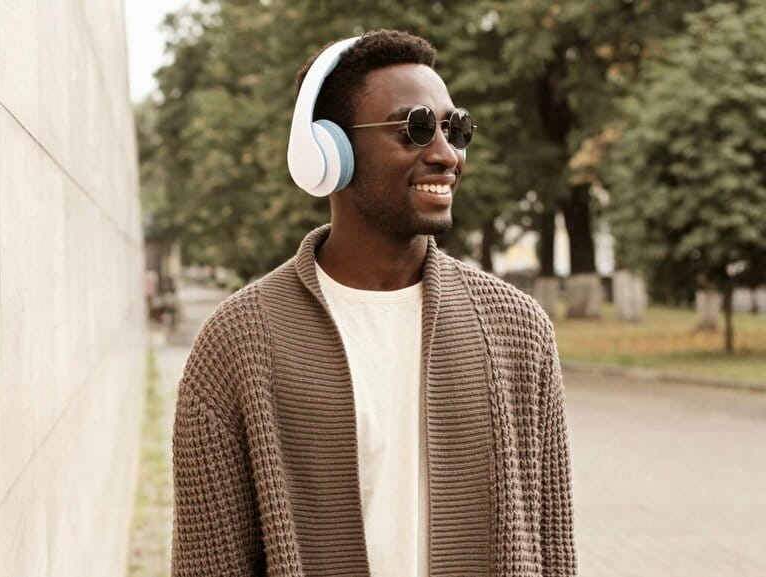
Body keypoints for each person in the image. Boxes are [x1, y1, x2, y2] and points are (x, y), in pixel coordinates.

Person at [172, 29, 576, 577]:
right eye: (415, 129)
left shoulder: (519, 331)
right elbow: (207, 564)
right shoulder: (238, 344)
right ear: (328, 151)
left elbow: (554, 552)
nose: (445, 154)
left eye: (455, 130)